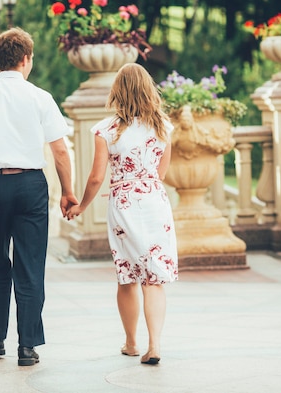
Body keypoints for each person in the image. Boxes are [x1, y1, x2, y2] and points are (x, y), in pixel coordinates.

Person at [0, 27, 77, 367]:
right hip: (30, 187)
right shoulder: (40, 97)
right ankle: (27, 345)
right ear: (26, 60)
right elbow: (61, 152)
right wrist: (67, 191)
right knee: (30, 265)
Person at [66, 63, 178, 365]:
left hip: (123, 203)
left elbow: (95, 177)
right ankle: (154, 345)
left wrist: (82, 205)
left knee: (127, 274)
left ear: (117, 91)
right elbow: (160, 173)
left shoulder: (106, 130)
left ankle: (131, 342)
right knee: (154, 276)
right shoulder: (163, 127)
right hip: (154, 201)